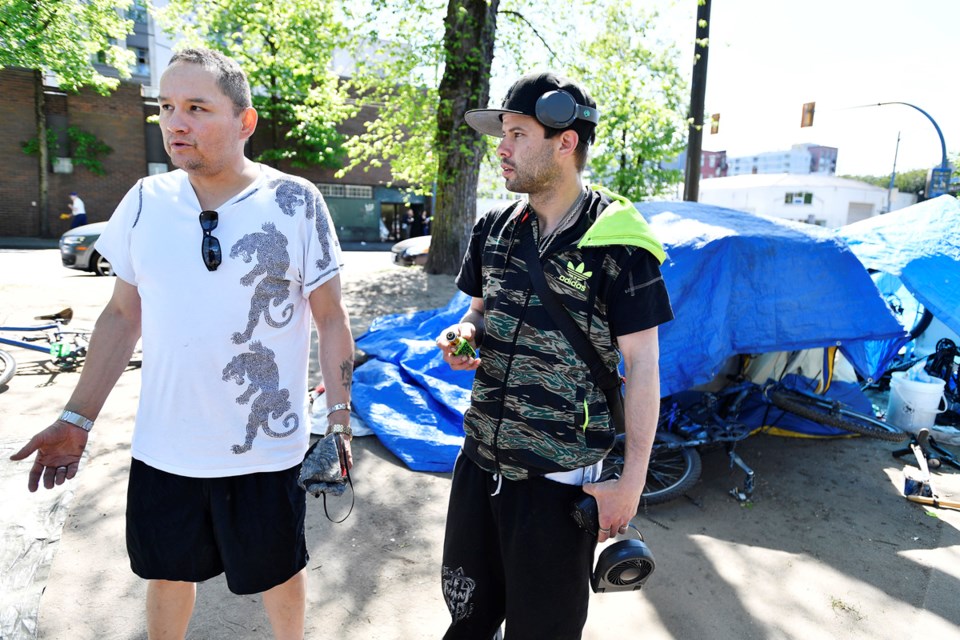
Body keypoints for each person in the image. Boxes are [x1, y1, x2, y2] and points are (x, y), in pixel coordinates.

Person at [10, 48, 355, 640]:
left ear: (244, 122)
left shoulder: (296, 201)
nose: (175, 123)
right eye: (166, 107)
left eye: (197, 107)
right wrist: (77, 417)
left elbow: (330, 319)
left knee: (278, 573)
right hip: (166, 447)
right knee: (166, 575)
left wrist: (340, 422)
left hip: (265, 454)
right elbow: (122, 315)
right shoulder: (147, 201)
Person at [436, 71, 673, 639]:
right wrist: (463, 337)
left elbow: (643, 368)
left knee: (542, 630)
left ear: (565, 142)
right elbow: (476, 313)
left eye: (517, 133)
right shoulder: (493, 229)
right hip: (479, 463)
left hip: (559, 484)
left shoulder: (619, 243)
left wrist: (630, 484)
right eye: (503, 134)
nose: (502, 147)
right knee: (467, 617)